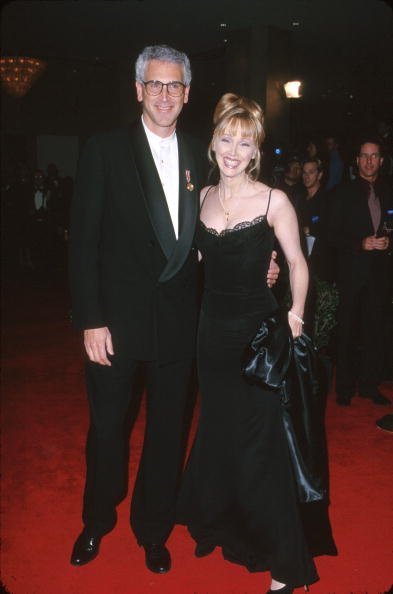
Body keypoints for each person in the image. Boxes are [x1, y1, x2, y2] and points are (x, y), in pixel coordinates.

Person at [69, 45, 278, 573]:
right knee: (108, 429)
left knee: (167, 433)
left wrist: (262, 268)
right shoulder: (104, 149)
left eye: (175, 86)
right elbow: (83, 243)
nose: (165, 95)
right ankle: (96, 519)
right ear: (139, 90)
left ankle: (153, 527)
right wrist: (91, 318)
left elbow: (218, 232)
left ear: (187, 95)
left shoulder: (201, 156)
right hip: (113, 326)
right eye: (155, 85)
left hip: (182, 327)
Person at [177, 93, 336, 594]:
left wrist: (293, 314)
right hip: (211, 337)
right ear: (213, 143)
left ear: (255, 152)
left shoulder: (274, 200)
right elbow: (195, 264)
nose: (232, 149)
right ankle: (223, 522)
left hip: (258, 340)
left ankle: (287, 565)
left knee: (263, 445)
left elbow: (298, 263)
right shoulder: (200, 197)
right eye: (226, 137)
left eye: (244, 142)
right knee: (220, 431)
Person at [328, 139, 392, 406]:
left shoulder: (389, 191)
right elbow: (329, 234)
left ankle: (369, 385)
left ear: (381, 161)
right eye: (364, 156)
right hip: (351, 273)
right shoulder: (342, 192)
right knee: (347, 332)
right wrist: (360, 244)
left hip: (380, 274)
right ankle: (344, 388)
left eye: (374, 156)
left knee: (375, 330)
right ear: (357, 160)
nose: (369, 161)